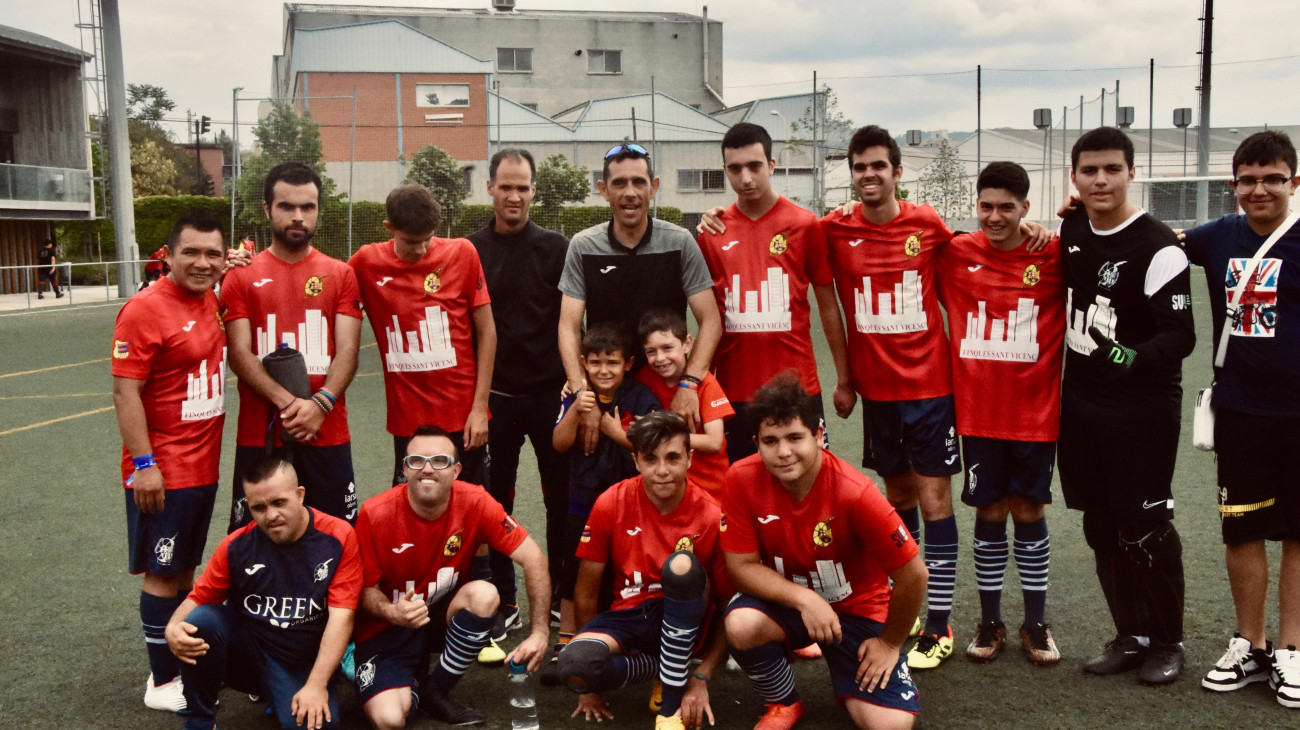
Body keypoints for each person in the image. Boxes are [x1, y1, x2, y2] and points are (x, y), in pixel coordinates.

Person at [821, 125, 964, 670]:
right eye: (859, 167)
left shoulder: (926, 223)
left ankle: (939, 623)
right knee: (899, 498)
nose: (869, 175)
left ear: (897, 171)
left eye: (879, 165)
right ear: (851, 174)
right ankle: (901, 608)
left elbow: (978, 255)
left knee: (935, 501)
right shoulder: (835, 229)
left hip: (930, 390)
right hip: (878, 396)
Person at [1058, 126, 1194, 685]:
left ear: (1132, 172)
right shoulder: (1070, 227)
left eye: (1112, 169)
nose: (1101, 180)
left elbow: (1178, 337)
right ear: (1075, 177)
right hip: (1081, 403)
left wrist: (1125, 360)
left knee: (1146, 526)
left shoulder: (1158, 245)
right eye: (1089, 170)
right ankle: (1129, 635)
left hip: (1141, 409)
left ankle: (1167, 642)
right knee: (1100, 523)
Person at [722, 375, 927, 729]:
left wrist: (890, 644)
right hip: (791, 606)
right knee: (742, 624)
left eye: (795, 437)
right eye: (770, 441)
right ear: (756, 443)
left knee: (890, 726)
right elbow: (741, 567)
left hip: (856, 612)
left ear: (818, 436)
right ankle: (783, 703)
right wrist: (805, 599)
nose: (783, 451)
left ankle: (855, 667)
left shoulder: (854, 492)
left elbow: (914, 573)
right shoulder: (740, 478)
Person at [1182, 130, 1300, 707]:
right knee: (1242, 528)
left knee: (1299, 534)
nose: (1259, 189)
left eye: (1272, 178)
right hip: (1240, 413)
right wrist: (1078, 214)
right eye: (1248, 180)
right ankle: (1249, 645)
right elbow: (1147, 244)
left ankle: (1291, 649)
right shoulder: (1216, 237)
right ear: (1233, 186)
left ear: (1293, 183)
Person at [935, 161, 1065, 665]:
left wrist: (1064, 217)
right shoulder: (956, 253)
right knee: (988, 512)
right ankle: (990, 622)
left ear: (1025, 209)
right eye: (986, 206)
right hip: (978, 416)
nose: (994, 216)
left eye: (1006, 207)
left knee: (1029, 511)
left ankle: (1036, 623)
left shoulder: (1051, 253)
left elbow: (1093, 237)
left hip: (1035, 415)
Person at [351, 425, 551, 728]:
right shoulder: (374, 513)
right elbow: (364, 591)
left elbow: (534, 559)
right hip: (386, 628)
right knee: (390, 720)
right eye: (416, 461)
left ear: (456, 470)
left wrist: (539, 633)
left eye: (440, 461)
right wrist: (392, 612)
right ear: (405, 468)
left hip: (437, 617)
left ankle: (436, 690)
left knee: (485, 595)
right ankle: (406, 682)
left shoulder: (476, 501)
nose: (427, 469)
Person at [112, 208, 228, 714]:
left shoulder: (211, 300)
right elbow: (124, 391)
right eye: (191, 253)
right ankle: (161, 682)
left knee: (184, 572)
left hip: (202, 468)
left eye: (213, 254)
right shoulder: (143, 309)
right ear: (168, 255)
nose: (202, 263)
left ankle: (179, 667)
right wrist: (144, 464)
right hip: (164, 471)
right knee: (162, 575)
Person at [558, 410, 730, 730]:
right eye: (651, 458)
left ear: (689, 459)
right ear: (636, 460)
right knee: (574, 665)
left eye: (673, 457)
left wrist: (703, 676)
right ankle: (661, 670)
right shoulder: (611, 502)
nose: (662, 470)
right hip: (629, 615)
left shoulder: (710, 515)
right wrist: (591, 688)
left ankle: (671, 706)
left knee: (682, 567)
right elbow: (586, 591)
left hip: (684, 619)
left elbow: (729, 604)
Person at [164, 455, 362, 730]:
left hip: (301, 661)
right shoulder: (236, 546)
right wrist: (172, 627)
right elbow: (198, 597)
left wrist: (316, 685)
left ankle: (291, 690)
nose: (270, 515)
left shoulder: (338, 537)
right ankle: (200, 721)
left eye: (279, 503)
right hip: (251, 655)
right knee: (198, 622)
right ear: (248, 506)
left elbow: (343, 619)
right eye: (259, 507)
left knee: (313, 726)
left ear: (300, 494)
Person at [694, 122, 851, 463]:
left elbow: (827, 306)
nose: (746, 178)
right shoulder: (711, 232)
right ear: (725, 171)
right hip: (735, 393)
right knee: (743, 489)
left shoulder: (805, 223)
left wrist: (844, 378)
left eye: (755, 166)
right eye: (735, 169)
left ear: (772, 165)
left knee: (811, 485)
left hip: (799, 388)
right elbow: (708, 319)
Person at [468, 148, 572, 656]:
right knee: (495, 504)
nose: (514, 195)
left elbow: (573, 321)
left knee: (561, 500)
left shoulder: (558, 248)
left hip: (550, 396)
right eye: (505, 186)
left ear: (534, 190)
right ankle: (505, 601)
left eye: (523, 187)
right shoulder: (468, 250)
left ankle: (560, 597)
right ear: (489, 188)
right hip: (496, 399)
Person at [221, 161, 363, 531]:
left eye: (308, 207)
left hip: (326, 431)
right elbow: (239, 353)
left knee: (337, 540)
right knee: (253, 544)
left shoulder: (340, 274)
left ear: (318, 210)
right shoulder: (240, 276)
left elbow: (347, 351)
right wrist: (290, 405)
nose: (298, 216)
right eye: (287, 206)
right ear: (268, 209)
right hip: (261, 434)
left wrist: (320, 404)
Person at [558, 142, 721, 439]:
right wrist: (584, 394)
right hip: (607, 388)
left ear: (653, 187)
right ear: (603, 189)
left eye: (638, 182)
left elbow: (710, 320)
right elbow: (568, 327)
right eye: (619, 183)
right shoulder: (583, 246)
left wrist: (689, 383)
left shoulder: (681, 242)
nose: (629, 192)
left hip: (666, 387)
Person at [348, 184, 496, 489]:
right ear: (390, 228)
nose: (421, 249)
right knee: (410, 509)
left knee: (476, 508)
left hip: (464, 418)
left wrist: (480, 409)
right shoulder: (366, 262)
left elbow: (488, 332)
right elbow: (324, 285)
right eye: (411, 241)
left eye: (427, 239)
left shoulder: (463, 253)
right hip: (408, 423)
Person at [551, 323, 662, 659]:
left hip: (632, 502)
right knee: (574, 569)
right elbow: (559, 443)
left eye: (612, 363)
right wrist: (577, 410)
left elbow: (655, 444)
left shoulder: (640, 396)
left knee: (621, 568)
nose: (604, 370)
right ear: (584, 363)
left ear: (627, 364)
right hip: (583, 501)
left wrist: (615, 431)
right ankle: (566, 638)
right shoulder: (575, 397)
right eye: (596, 363)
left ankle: (619, 631)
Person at [637, 309, 734, 495]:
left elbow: (714, 442)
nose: (660, 358)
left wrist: (663, 436)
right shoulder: (643, 379)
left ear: (687, 344)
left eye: (667, 348)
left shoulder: (706, 383)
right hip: (666, 487)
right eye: (651, 351)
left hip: (710, 488)